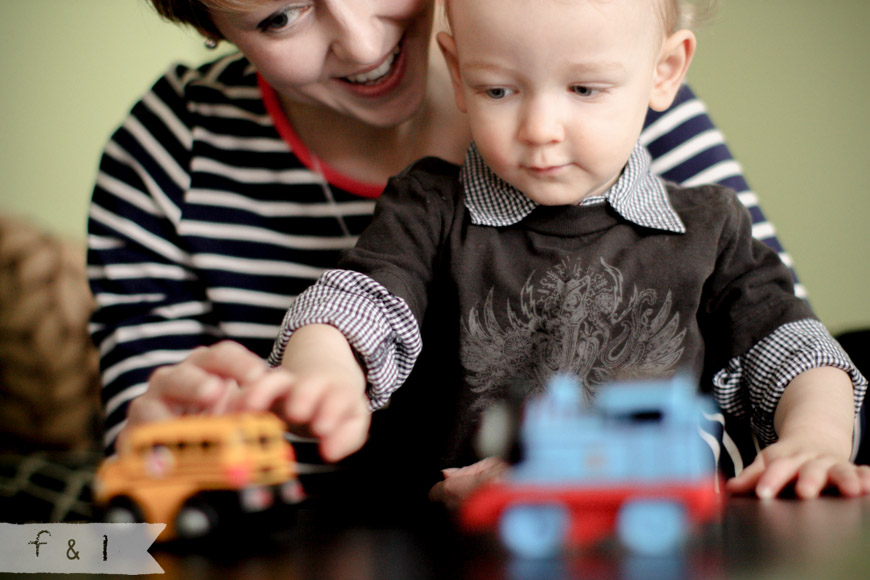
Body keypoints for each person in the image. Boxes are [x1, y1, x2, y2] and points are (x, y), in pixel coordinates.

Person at [86, 1, 814, 489]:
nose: (365, 43)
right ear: (211, 21)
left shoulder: (612, 63)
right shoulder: (170, 153)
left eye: (583, 90)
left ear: (661, 72)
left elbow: (776, 361)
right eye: (278, 14)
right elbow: (142, 516)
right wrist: (172, 462)